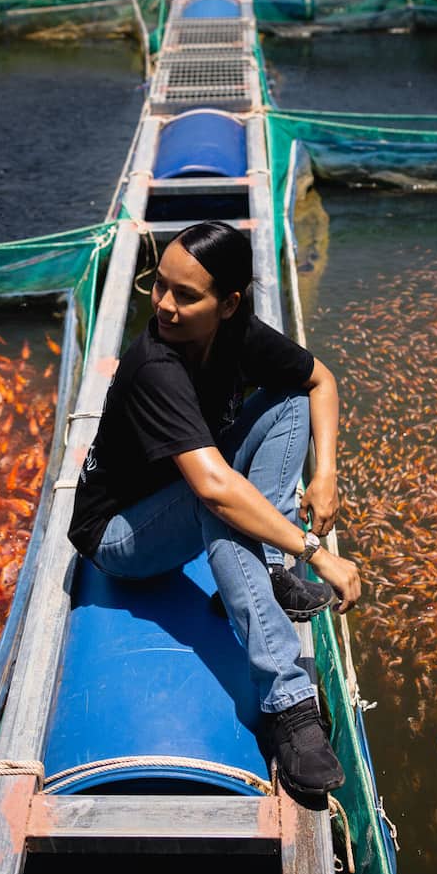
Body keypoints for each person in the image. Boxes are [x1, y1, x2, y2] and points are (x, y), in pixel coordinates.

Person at [68, 220, 361, 809]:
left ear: (228, 304)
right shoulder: (155, 362)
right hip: (120, 536)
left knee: (287, 400)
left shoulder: (240, 335)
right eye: (160, 288)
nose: (165, 307)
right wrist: (316, 552)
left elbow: (320, 380)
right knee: (219, 501)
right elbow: (214, 487)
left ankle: (269, 569)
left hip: (180, 494)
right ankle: (287, 702)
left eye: (186, 295)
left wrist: (325, 474)